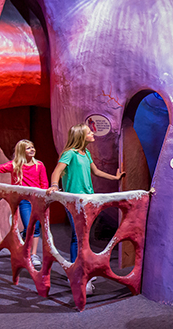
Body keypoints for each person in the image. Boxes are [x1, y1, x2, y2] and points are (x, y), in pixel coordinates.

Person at [46, 124, 123, 294]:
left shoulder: (86, 153)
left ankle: (83, 268)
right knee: (77, 236)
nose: (92, 133)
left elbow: (96, 172)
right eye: (89, 132)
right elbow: (57, 171)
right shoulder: (70, 153)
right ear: (81, 136)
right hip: (74, 201)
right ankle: (75, 271)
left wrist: (115, 177)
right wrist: (53, 185)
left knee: (85, 237)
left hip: (89, 199)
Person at [0, 140, 49, 270]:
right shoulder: (15, 165)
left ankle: (34, 254)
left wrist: (44, 198)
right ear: (21, 151)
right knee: (28, 225)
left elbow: (44, 183)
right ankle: (25, 237)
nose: (32, 150)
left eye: (32, 147)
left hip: (37, 200)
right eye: (28, 148)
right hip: (24, 201)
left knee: (35, 227)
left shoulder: (39, 165)